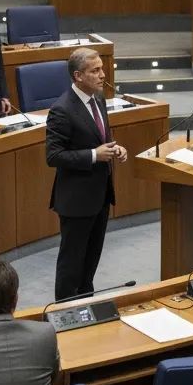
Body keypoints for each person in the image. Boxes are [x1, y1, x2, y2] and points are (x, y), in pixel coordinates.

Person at [45, 47, 127, 300]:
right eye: (96, 71)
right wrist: (94, 155)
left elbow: (103, 137)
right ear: (78, 76)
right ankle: (64, 312)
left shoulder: (98, 99)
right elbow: (53, 156)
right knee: (72, 264)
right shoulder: (62, 109)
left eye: (102, 69)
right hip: (76, 200)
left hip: (100, 195)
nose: (103, 75)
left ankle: (86, 307)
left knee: (90, 261)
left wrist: (116, 148)